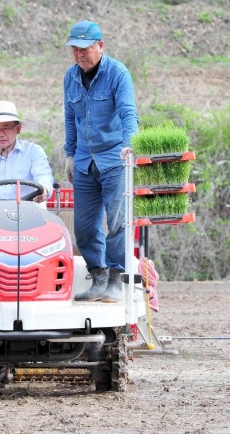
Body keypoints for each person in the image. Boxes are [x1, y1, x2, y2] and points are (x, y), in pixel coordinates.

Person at [63, 20, 139, 302]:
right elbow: (70, 118)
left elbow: (129, 113)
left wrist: (131, 146)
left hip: (114, 158)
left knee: (117, 221)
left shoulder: (118, 73)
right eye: (75, 49)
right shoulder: (70, 77)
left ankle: (117, 279)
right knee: (84, 226)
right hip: (84, 161)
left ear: (100, 46)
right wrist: (70, 154)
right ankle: (98, 277)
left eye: (85, 48)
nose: (80, 54)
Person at [0, 100, 54, 209]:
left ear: (18, 129)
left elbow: (43, 176)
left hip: (29, 212)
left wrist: (44, 190)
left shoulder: (34, 151)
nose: (0, 134)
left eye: (6, 128)